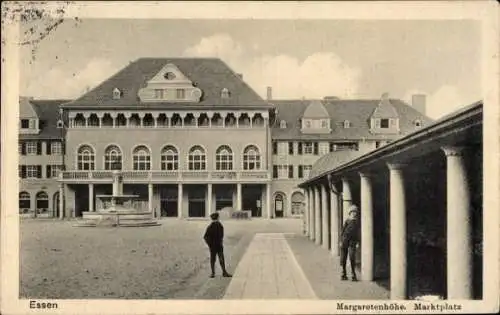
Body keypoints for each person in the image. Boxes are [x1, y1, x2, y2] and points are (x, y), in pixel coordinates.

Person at [203, 212, 232, 278]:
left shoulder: (210, 227)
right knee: (221, 258)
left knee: (213, 259)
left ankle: (213, 273)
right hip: (219, 245)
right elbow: (221, 235)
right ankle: (224, 272)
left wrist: (209, 244)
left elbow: (205, 237)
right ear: (218, 217)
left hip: (213, 246)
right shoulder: (220, 225)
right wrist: (220, 241)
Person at [340, 205, 360, 281]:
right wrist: (341, 241)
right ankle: (343, 273)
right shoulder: (347, 221)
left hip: (353, 241)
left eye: (355, 212)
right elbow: (342, 231)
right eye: (352, 212)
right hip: (345, 240)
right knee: (343, 257)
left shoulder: (357, 222)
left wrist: (358, 242)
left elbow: (358, 233)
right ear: (350, 213)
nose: (354, 213)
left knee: (352, 257)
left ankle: (353, 273)